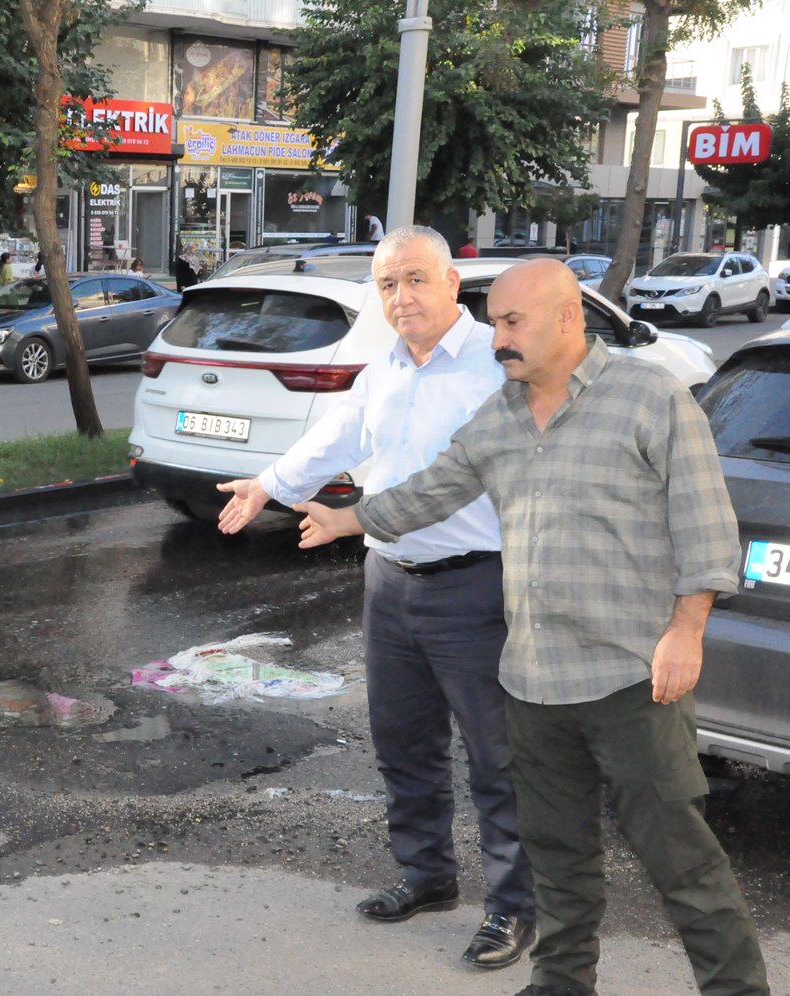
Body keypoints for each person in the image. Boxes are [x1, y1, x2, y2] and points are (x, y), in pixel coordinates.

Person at [294, 258, 770, 996]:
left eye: (513, 323)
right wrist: (347, 518)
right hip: (534, 681)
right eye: (496, 324)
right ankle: (561, 981)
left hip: (632, 677)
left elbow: (707, 527)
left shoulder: (650, 396)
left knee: (681, 859)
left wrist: (686, 631)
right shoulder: (503, 415)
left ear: (567, 318)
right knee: (557, 857)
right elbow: (433, 489)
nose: (498, 339)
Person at [216, 226, 535, 970]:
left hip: (476, 585)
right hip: (389, 582)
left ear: (453, 284)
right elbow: (334, 439)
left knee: (498, 758)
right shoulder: (383, 369)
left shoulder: (496, 366)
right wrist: (269, 484)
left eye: (416, 280)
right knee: (403, 745)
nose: (402, 297)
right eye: (388, 284)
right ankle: (427, 878)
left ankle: (514, 908)